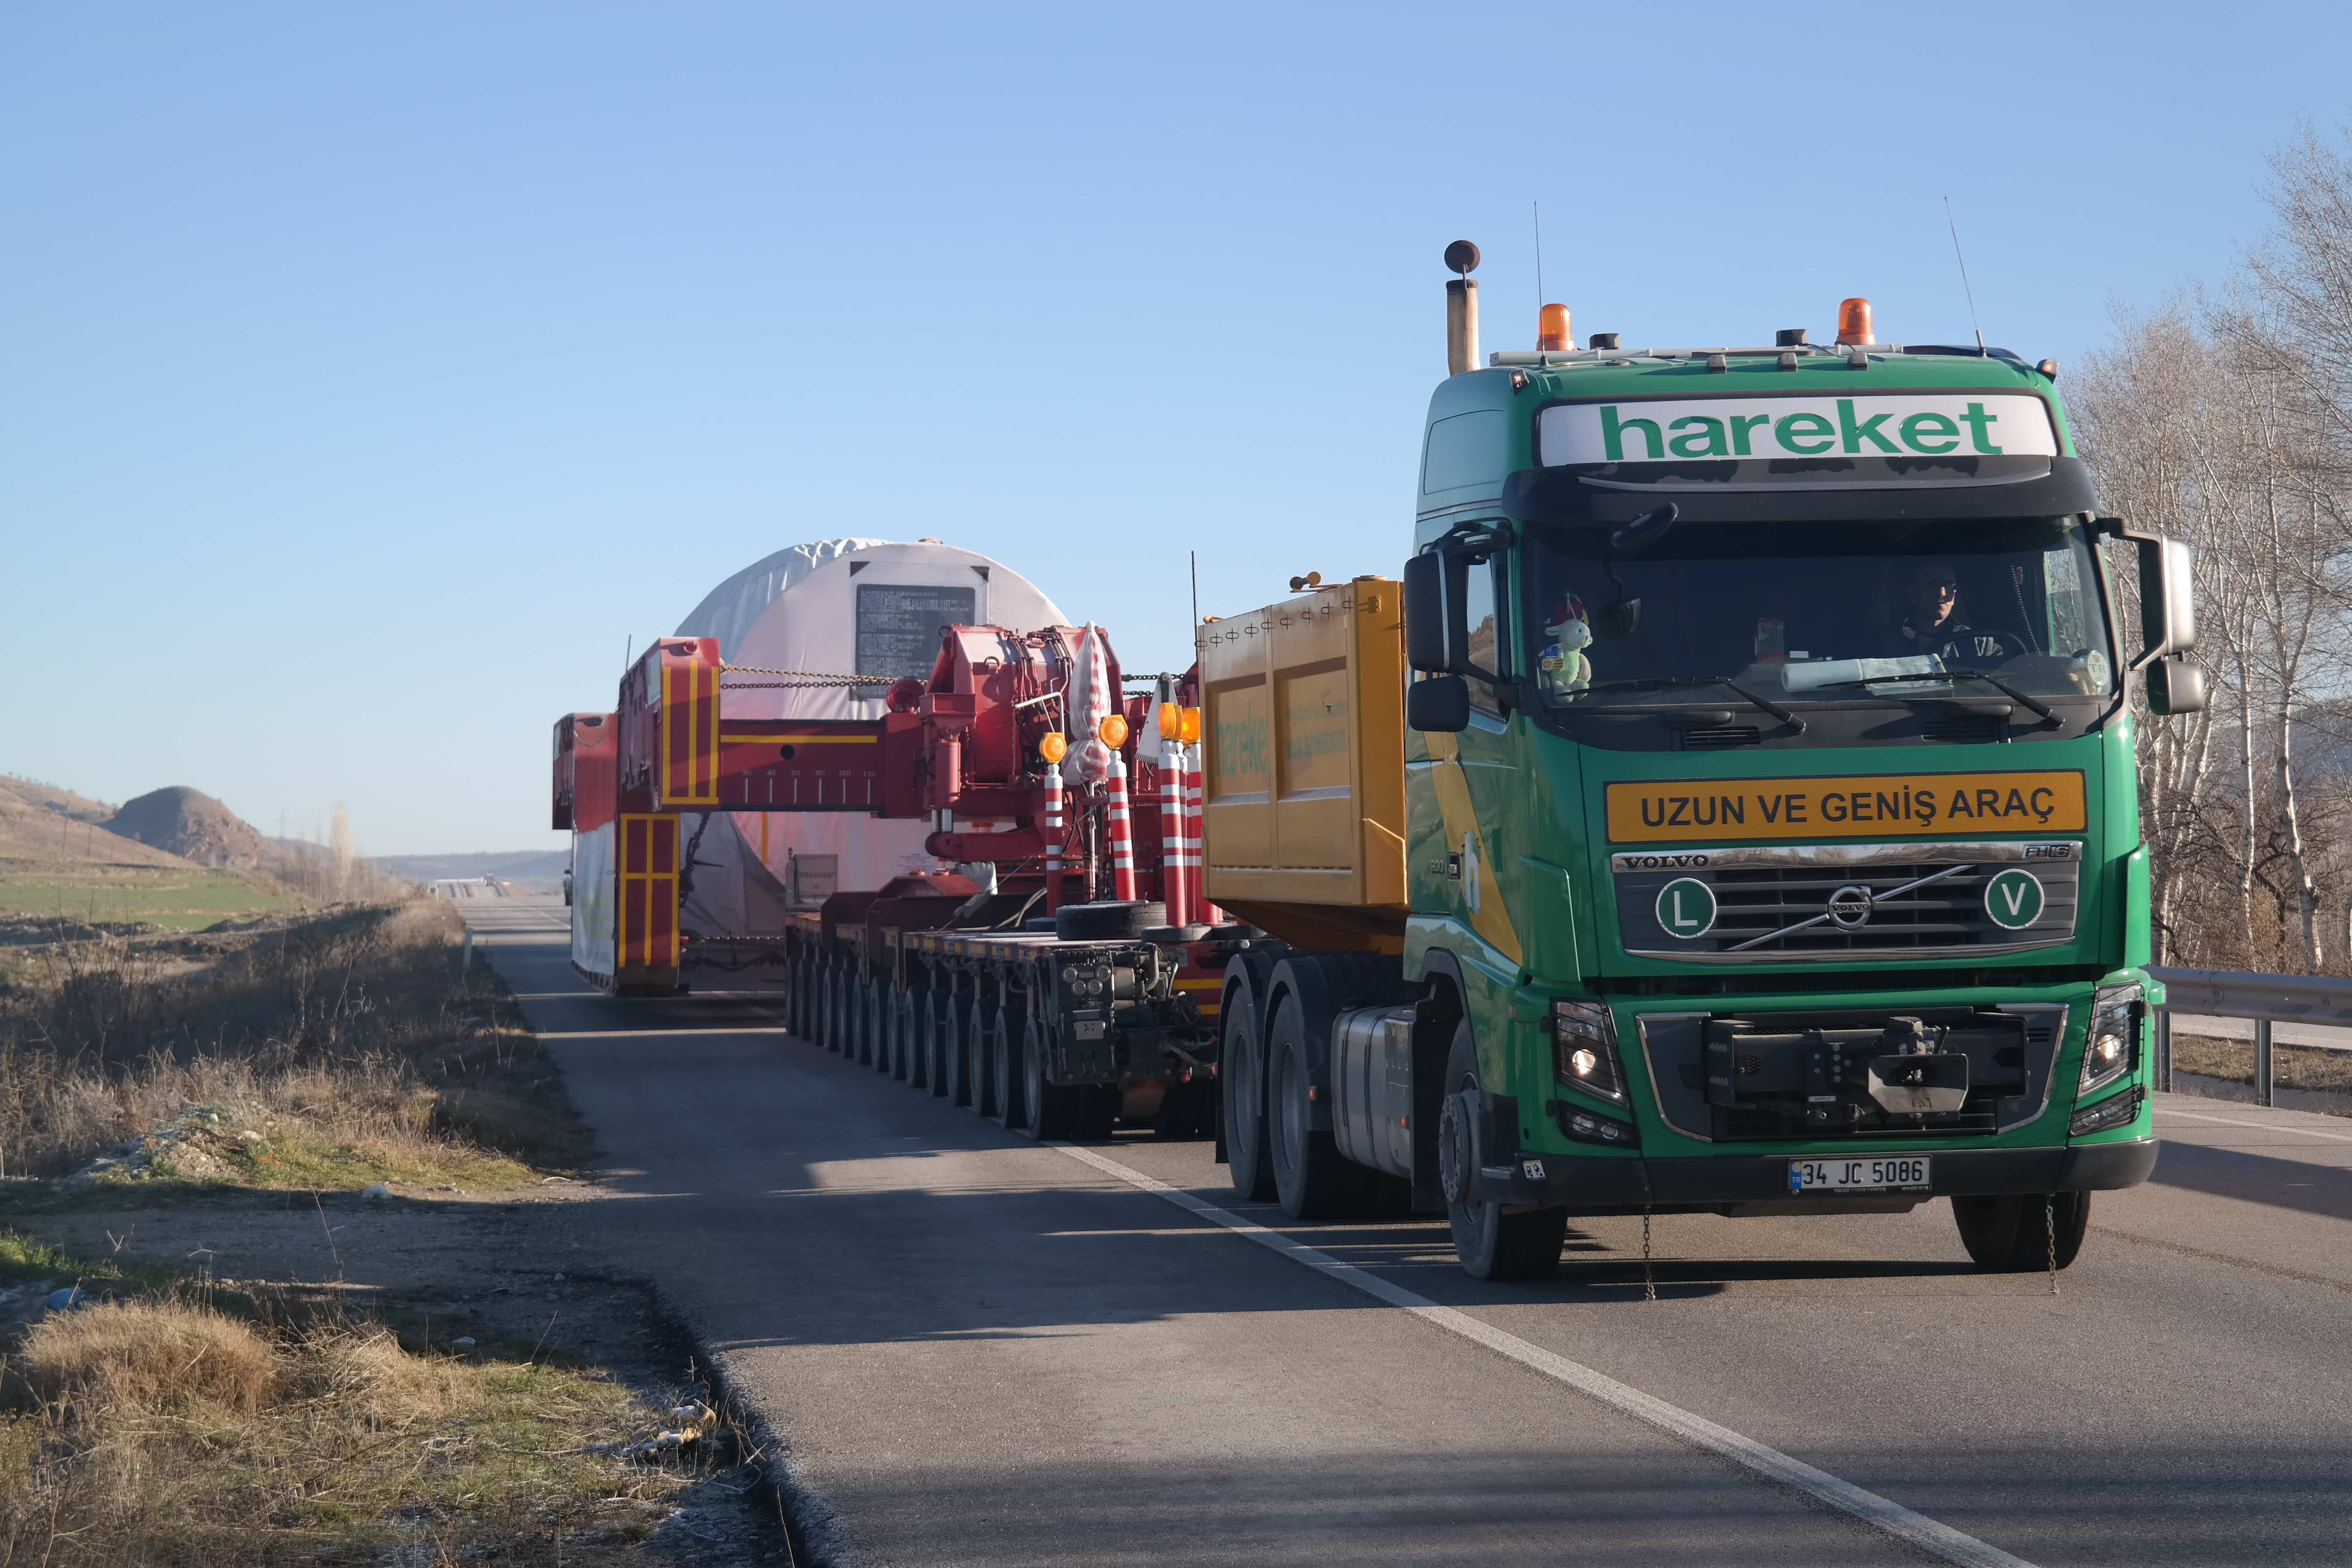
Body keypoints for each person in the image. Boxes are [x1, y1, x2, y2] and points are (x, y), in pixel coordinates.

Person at [1884, 563, 2013, 665]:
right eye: (1932, 584)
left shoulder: (1980, 646)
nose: (1942, 593)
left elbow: (2002, 683)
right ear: (1912, 594)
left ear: (1954, 597)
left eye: (1948, 585)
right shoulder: (1886, 643)